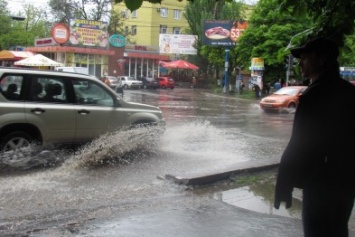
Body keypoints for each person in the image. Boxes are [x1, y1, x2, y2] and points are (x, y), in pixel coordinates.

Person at [274, 37, 355, 237]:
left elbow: (299, 143)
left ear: (321, 60)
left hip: (320, 185)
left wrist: (284, 183)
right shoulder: (349, 92)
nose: (300, 63)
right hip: (346, 183)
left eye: (305, 57)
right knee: (338, 230)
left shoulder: (314, 96)